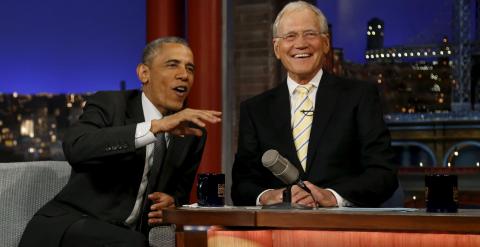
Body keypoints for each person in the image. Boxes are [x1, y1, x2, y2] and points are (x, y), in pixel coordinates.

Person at [20, 37, 222, 247]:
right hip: (70, 225)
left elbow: (178, 194)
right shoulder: (110, 104)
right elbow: (76, 147)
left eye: (190, 68)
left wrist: (171, 202)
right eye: (172, 65)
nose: (184, 75)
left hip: (128, 235)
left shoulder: (193, 132)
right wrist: (154, 127)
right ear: (144, 73)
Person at [231, 1, 398, 208]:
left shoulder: (360, 96)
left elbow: (384, 174)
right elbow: (242, 185)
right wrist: (270, 196)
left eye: (310, 34)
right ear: (277, 48)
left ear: (326, 43)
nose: (300, 44)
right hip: (276, 232)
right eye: (290, 36)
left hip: (342, 231)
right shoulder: (255, 110)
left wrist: (332, 196)